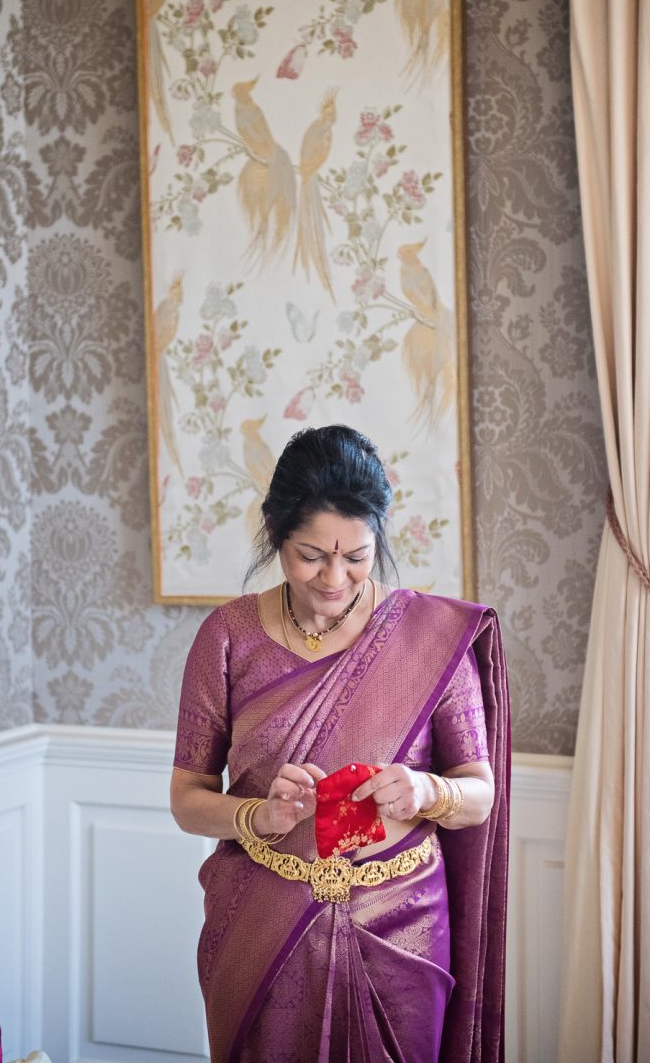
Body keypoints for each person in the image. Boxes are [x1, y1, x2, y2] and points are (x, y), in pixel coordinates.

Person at [171, 425, 509, 1063]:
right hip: (261, 923)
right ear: (276, 534)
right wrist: (256, 816)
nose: (335, 577)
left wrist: (427, 790)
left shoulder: (428, 636)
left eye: (356, 556)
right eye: (311, 556)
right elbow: (187, 799)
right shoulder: (227, 637)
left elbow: (480, 795)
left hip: (401, 927)